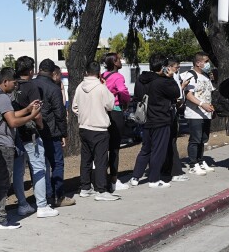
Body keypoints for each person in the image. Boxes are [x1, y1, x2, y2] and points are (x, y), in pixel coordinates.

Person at [0, 68, 41, 230]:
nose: (16, 86)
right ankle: (0, 219)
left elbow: (11, 115)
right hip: (3, 144)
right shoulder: (2, 98)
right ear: (5, 82)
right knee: (3, 182)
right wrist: (32, 115)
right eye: (14, 83)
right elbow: (13, 122)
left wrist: (28, 108)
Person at [11, 57, 59, 219]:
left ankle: (23, 204)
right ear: (31, 71)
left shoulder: (12, 85)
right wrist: (41, 126)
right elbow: (36, 112)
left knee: (18, 173)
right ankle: (42, 205)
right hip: (30, 134)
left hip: (14, 133)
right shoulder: (32, 87)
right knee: (38, 169)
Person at [128, 58, 182, 189]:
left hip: (145, 119)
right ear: (163, 67)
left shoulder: (141, 79)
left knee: (145, 149)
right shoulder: (162, 81)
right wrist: (170, 77)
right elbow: (176, 92)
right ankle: (154, 179)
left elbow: (137, 96)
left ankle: (135, 177)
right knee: (158, 150)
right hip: (160, 119)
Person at [71, 62, 120, 201]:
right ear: (99, 73)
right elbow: (110, 105)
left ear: (86, 72)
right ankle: (101, 189)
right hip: (99, 128)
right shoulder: (101, 88)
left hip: (84, 127)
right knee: (101, 160)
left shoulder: (80, 86)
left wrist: (83, 115)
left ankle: (85, 187)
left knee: (86, 159)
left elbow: (75, 107)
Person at [35, 59, 70, 208]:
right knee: (56, 164)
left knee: (40, 167)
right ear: (52, 72)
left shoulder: (32, 85)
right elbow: (59, 114)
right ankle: (58, 196)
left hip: (35, 131)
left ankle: (44, 195)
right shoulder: (53, 88)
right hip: (52, 131)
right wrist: (64, 133)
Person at [179, 52, 216, 175]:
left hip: (206, 113)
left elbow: (210, 92)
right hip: (194, 114)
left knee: (203, 139)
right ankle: (193, 164)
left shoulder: (205, 76)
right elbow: (188, 94)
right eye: (205, 61)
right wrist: (201, 104)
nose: (207, 64)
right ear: (198, 63)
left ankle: (200, 160)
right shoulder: (190, 75)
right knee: (195, 139)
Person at [100, 53, 131, 193]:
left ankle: (100, 179)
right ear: (114, 62)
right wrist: (126, 101)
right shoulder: (118, 76)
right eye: (119, 59)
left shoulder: (103, 76)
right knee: (114, 148)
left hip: (102, 112)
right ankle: (113, 180)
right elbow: (123, 91)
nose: (121, 61)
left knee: (103, 147)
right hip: (115, 110)